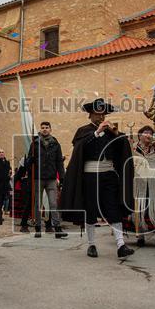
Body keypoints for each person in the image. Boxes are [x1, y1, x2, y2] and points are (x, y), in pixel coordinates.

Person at [60, 99, 134, 258]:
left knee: (113, 208)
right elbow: (80, 149)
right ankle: (91, 244)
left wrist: (117, 135)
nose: (101, 117)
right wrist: (96, 132)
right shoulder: (83, 131)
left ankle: (121, 245)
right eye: (97, 114)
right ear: (90, 115)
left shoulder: (111, 132)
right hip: (90, 176)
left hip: (108, 175)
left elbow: (123, 150)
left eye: (103, 114)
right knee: (90, 210)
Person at [124, 126, 155, 248]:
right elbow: (128, 163)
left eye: (151, 133)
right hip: (139, 185)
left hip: (154, 186)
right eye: (146, 133)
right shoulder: (133, 148)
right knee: (139, 211)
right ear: (140, 135)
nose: (149, 135)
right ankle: (141, 237)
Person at [24, 122, 68, 238]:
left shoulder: (56, 143)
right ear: (40, 129)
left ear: (50, 129)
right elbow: (28, 162)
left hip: (51, 179)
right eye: (42, 128)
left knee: (53, 204)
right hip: (38, 178)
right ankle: (38, 229)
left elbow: (59, 161)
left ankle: (57, 229)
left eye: (47, 128)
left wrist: (62, 177)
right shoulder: (35, 144)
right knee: (38, 204)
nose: (44, 129)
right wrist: (31, 160)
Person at [0, 150, 12, 214]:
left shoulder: (7, 162)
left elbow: (9, 171)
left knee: (4, 199)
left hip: (6, 184)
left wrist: (10, 174)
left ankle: (1, 212)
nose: (1, 153)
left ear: (4, 153)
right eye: (0, 152)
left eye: (2, 152)